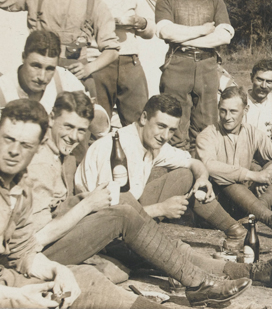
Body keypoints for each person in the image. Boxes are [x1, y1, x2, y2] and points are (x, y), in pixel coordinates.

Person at [27, 91, 272, 300]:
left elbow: (191, 161)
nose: (74, 137)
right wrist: (88, 206)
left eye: (81, 130)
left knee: (160, 217)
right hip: (45, 253)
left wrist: (203, 178)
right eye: (68, 127)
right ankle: (200, 282)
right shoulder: (45, 162)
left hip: (85, 230)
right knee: (133, 218)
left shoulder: (62, 156)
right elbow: (32, 242)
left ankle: (246, 270)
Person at [0, 98, 187, 309]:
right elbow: (35, 242)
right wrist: (15, 295)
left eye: (26, 145)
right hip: (9, 282)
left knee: (89, 275)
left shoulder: (22, 187)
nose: (15, 151)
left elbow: (23, 250)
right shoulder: (34, 173)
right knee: (121, 219)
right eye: (8, 139)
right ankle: (198, 278)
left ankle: (204, 275)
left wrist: (57, 270)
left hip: (20, 270)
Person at [75, 94, 248, 249]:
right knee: (174, 251)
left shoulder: (151, 141)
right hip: (96, 229)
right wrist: (161, 209)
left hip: (129, 211)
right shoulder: (116, 148)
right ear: (144, 118)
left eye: (171, 130)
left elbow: (192, 161)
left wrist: (203, 178)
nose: (165, 136)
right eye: (161, 126)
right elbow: (110, 215)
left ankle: (235, 230)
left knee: (187, 175)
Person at [0, 0, 120, 109]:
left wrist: (89, 68)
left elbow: (112, 50)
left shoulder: (94, 4)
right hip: (39, 82)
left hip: (75, 85)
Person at [196, 86, 272, 240]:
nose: (227, 117)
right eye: (223, 110)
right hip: (216, 204)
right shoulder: (207, 135)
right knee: (228, 180)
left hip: (246, 202)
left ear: (245, 110)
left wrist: (267, 174)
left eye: (233, 111)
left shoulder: (251, 132)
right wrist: (254, 175)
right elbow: (208, 166)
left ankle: (255, 213)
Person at [155, 0, 234, 151]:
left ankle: (203, 174)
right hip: (177, 64)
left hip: (207, 66)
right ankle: (177, 172)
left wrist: (185, 38)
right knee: (174, 123)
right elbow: (165, 31)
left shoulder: (214, 1)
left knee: (206, 125)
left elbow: (224, 36)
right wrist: (203, 30)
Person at [86, 0, 155, 126]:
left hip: (128, 60)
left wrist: (140, 23)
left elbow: (150, 30)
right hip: (98, 60)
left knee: (139, 124)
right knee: (97, 125)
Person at [0, 30, 109, 141]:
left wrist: (88, 113)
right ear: (23, 57)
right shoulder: (3, 88)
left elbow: (102, 128)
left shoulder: (64, 80)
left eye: (50, 69)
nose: (42, 77)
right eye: (36, 66)